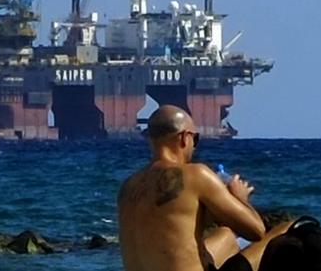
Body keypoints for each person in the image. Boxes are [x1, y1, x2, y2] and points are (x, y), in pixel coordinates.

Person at [118, 105, 294, 271]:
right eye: (195, 138)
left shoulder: (128, 186)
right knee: (288, 227)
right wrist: (239, 197)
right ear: (184, 137)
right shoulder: (196, 174)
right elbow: (256, 231)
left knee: (226, 235)